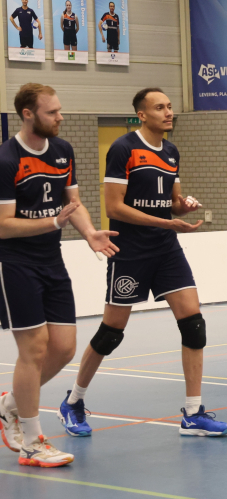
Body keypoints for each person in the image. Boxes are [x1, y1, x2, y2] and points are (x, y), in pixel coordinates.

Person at [58, 88, 227, 439]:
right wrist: (165, 222)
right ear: (142, 114)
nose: (168, 112)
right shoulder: (123, 149)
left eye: (169, 107)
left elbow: (172, 202)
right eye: (159, 107)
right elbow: (114, 207)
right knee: (111, 333)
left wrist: (184, 206)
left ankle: (193, 413)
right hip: (130, 252)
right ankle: (73, 402)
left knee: (194, 325)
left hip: (166, 250)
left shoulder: (171, 151)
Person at [0, 83, 117, 468]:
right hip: (14, 263)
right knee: (33, 349)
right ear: (28, 114)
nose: (60, 117)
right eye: (52, 112)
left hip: (52, 261)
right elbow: (3, 225)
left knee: (64, 347)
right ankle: (33, 442)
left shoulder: (63, 151)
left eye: (59, 110)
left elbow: (73, 203)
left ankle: (10, 404)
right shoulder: (7, 159)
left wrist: (89, 233)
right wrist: (52, 222)